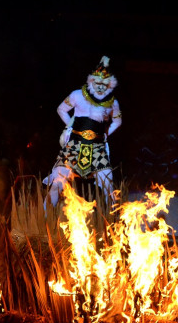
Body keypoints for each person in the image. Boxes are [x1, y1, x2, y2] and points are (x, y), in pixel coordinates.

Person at [45, 56, 122, 211]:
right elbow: (61, 109)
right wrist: (70, 127)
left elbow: (117, 121)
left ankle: (116, 225)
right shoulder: (77, 95)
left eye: (104, 84)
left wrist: (106, 134)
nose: (100, 87)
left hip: (98, 148)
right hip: (74, 145)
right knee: (56, 185)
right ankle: (44, 223)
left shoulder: (112, 103)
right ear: (91, 81)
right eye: (97, 83)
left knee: (109, 189)